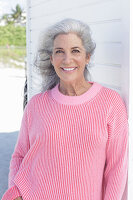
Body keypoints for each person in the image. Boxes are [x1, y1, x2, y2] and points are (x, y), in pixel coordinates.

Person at [2, 18, 128, 200]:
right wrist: (15, 192)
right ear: (52, 59)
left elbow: (116, 168)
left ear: (87, 57)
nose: (67, 59)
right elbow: (20, 155)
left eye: (75, 50)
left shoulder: (110, 103)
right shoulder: (37, 105)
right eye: (59, 51)